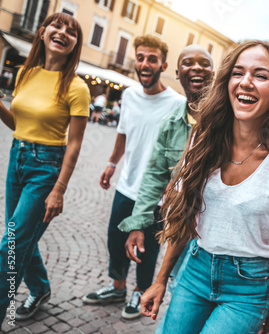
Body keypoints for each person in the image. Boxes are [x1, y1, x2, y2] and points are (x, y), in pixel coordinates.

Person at [140, 40, 269, 334]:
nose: (246, 83)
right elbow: (184, 216)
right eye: (238, 72)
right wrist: (160, 279)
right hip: (195, 269)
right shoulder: (202, 139)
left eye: (260, 75)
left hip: (248, 286)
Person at [82, 34, 186, 320]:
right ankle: (117, 287)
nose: (145, 63)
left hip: (156, 194)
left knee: (147, 247)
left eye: (152, 58)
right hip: (126, 186)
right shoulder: (128, 95)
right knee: (115, 240)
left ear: (163, 65)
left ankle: (140, 291)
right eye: (140, 57)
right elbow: (123, 134)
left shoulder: (177, 104)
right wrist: (111, 163)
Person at [0, 13, 90, 321]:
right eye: (57, 25)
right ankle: (40, 289)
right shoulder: (26, 73)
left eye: (72, 31)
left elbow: (75, 143)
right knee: (22, 237)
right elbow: (18, 123)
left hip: (45, 168)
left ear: (75, 45)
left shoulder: (77, 87)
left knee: (10, 245)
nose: (63, 32)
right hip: (18, 159)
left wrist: (59, 190)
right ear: (43, 32)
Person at [118, 45, 213, 322]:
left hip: (217, 236)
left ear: (214, 71)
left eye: (204, 63)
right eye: (188, 63)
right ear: (177, 72)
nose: (196, 67)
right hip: (184, 229)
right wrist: (138, 222)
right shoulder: (171, 123)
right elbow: (154, 175)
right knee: (177, 287)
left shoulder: (228, 119)